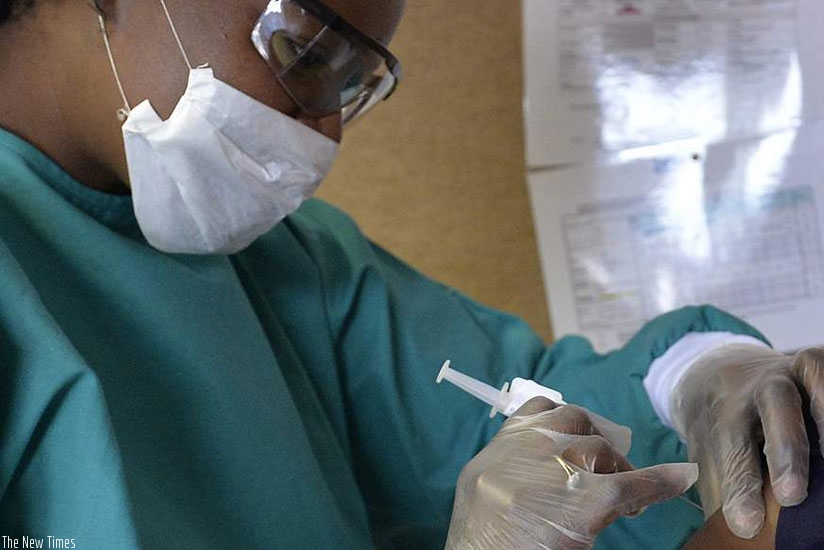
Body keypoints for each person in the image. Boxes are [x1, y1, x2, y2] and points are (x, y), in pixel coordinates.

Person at [0, 0, 821, 548]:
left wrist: (701, 375)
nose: (323, 129)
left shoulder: (287, 264)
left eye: (356, 83)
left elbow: (532, 410)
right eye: (305, 52)